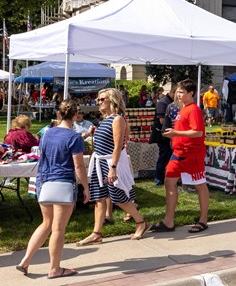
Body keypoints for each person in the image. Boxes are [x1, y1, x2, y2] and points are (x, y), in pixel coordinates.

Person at [16, 100, 90, 278]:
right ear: (74, 116)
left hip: (45, 183)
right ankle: (55, 268)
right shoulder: (74, 138)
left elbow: (42, 158)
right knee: (58, 228)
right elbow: (79, 166)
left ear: (59, 114)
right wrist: (86, 188)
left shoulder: (46, 134)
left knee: (46, 223)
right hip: (63, 183)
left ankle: (25, 260)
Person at [77, 88, 149, 246]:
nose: (99, 102)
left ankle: (141, 222)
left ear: (113, 100)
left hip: (110, 163)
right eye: (98, 100)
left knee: (118, 198)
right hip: (99, 163)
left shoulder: (117, 119)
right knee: (99, 198)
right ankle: (96, 233)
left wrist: (113, 167)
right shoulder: (104, 120)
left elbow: (118, 147)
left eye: (102, 99)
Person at [150, 78, 210, 234]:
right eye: (177, 91)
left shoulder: (194, 109)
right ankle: (168, 221)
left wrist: (176, 133)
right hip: (178, 153)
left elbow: (198, 132)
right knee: (169, 181)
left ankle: (203, 220)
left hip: (192, 154)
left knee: (199, 185)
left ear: (191, 93)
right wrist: (174, 136)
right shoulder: (182, 109)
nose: (178, 94)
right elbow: (186, 131)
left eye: (182, 92)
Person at [151, 83, 176, 186]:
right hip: (162, 135)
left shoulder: (170, 102)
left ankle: (165, 177)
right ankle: (158, 179)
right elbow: (162, 121)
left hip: (168, 134)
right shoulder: (163, 103)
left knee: (167, 156)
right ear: (173, 92)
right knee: (163, 156)